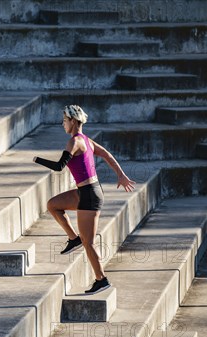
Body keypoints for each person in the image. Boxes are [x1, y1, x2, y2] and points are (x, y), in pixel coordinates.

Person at [33, 105, 135, 294]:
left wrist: (37, 159)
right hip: (84, 192)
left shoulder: (75, 142)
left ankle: (101, 279)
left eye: (64, 120)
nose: (63, 124)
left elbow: (59, 166)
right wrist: (121, 175)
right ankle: (73, 238)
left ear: (73, 121)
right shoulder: (87, 141)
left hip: (89, 195)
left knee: (89, 243)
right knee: (53, 205)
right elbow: (107, 154)